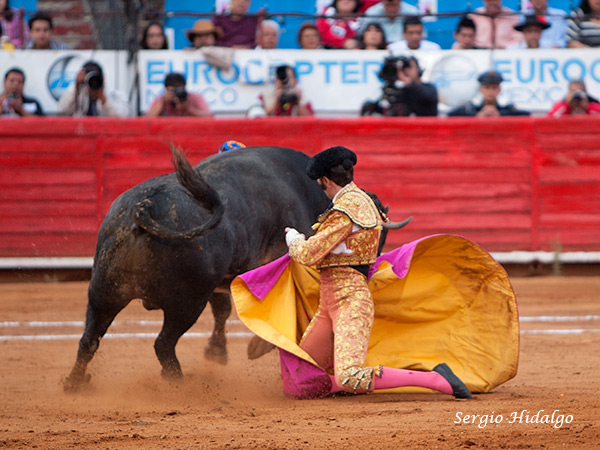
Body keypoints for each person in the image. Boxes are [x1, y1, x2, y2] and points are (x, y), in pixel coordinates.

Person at [249, 146, 474, 399]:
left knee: (349, 375)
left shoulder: (345, 210)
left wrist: (294, 239)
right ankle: (344, 385)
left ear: (324, 180)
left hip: (350, 302)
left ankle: (436, 379)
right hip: (330, 303)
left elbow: (308, 255)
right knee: (300, 381)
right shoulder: (362, 201)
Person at [361, 55, 438, 117]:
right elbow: (389, 111)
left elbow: (426, 95)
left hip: (426, 131)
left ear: (418, 69)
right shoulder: (401, 91)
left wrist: (406, 79)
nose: (406, 71)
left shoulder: (429, 88)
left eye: (409, 67)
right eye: (404, 68)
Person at [58, 61, 129, 117]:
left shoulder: (115, 94)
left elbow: (121, 116)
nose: (93, 82)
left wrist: (103, 99)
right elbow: (62, 109)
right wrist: (76, 87)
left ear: (103, 78)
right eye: (90, 79)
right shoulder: (77, 92)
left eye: (96, 79)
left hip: (105, 133)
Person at [447, 70, 530, 117]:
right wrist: (477, 116)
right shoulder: (470, 109)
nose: (490, 92)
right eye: (487, 88)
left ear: (499, 90)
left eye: (494, 88)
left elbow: (526, 115)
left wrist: (500, 115)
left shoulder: (508, 109)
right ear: (481, 90)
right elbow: (450, 115)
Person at [145, 72, 212, 117]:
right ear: (167, 89)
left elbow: (209, 117)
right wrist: (162, 102)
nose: (176, 92)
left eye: (179, 88)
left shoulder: (195, 98)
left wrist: (189, 109)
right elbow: (146, 120)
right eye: (173, 90)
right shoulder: (161, 100)